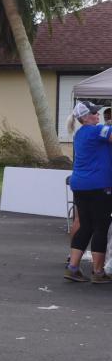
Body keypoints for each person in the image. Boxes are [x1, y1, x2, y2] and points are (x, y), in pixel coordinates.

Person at [64, 101, 112, 283]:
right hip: (99, 185)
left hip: (80, 185)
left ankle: (73, 267)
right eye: (94, 113)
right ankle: (98, 272)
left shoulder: (80, 134)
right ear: (85, 117)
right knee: (101, 227)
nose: (98, 115)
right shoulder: (96, 130)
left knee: (86, 225)